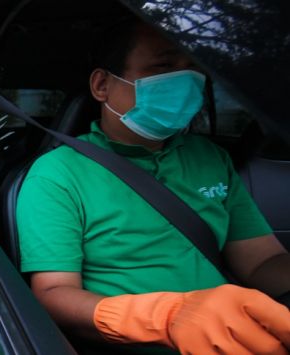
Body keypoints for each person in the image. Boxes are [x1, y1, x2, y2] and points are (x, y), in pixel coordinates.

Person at [16, 18, 290, 354]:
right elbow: (53, 293)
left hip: (234, 338)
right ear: (102, 85)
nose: (185, 80)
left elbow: (261, 260)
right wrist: (165, 318)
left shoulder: (210, 157)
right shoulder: (57, 173)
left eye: (194, 68)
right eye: (163, 66)